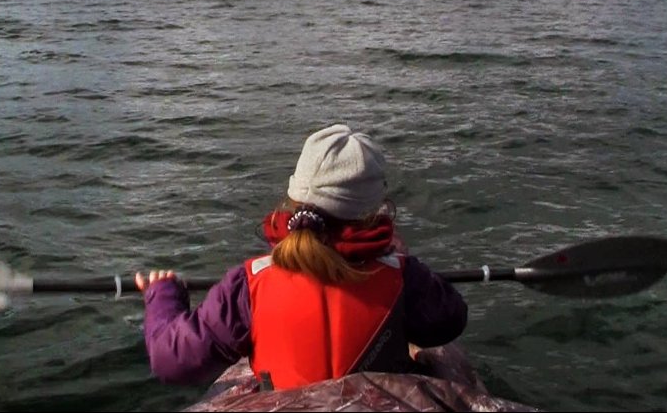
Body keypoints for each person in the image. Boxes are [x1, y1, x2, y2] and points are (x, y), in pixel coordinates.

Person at [135, 123, 468, 390]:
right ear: (375, 213)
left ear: (292, 198)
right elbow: (449, 320)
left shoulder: (248, 283)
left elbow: (172, 361)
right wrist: (397, 260)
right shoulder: (403, 276)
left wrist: (163, 295)